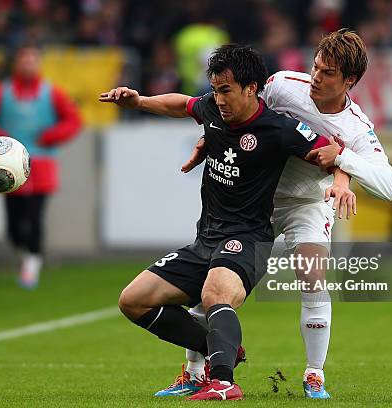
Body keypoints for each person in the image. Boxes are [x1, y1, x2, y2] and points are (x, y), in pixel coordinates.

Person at [99, 44, 355, 401]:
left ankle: (222, 380)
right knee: (133, 300)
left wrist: (341, 181)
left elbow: (331, 152)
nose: (218, 99)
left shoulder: (279, 129)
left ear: (251, 88)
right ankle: (221, 346)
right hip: (205, 239)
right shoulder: (212, 109)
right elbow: (183, 104)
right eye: (215, 90)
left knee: (215, 294)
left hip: (247, 241)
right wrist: (139, 101)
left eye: (226, 90)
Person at [175, 28, 392, 399]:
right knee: (213, 280)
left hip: (306, 204)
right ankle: (194, 372)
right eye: (316, 66)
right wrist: (209, 137)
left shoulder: (357, 128)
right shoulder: (282, 85)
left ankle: (314, 375)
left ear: (350, 81)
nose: (316, 77)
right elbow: (239, 111)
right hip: (255, 196)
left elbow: (388, 186)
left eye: (328, 73)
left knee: (312, 277)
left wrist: (342, 160)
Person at [0, 43, 82, 289]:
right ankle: (23, 252)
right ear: (16, 64)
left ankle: (33, 262)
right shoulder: (3, 92)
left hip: (41, 164)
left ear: (39, 64)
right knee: (12, 223)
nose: (28, 65)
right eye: (24, 60)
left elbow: (73, 120)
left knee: (34, 217)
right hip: (7, 167)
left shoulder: (50, 92)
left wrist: (52, 135)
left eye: (33, 60)